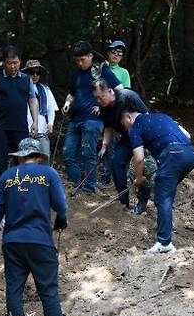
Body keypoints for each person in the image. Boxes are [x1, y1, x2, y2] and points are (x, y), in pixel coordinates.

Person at [0, 138, 68, 316]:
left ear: (19, 157)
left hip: (13, 242)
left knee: (14, 289)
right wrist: (61, 220)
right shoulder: (49, 174)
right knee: (48, 289)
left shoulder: (6, 177)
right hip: (40, 241)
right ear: (39, 157)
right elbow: (61, 205)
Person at [122, 110, 194, 253]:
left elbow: (139, 159)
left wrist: (139, 178)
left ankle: (164, 243)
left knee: (162, 197)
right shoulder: (163, 116)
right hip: (191, 154)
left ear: (128, 117)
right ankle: (165, 223)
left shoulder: (135, 128)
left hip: (173, 154)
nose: (126, 129)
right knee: (165, 192)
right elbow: (187, 135)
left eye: (124, 125)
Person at [61, 41, 122, 194]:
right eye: (77, 60)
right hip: (75, 119)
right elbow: (72, 93)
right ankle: (78, 184)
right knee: (68, 152)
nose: (80, 63)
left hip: (93, 119)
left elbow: (120, 90)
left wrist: (104, 107)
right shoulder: (76, 74)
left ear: (91, 56)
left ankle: (89, 188)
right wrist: (67, 103)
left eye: (83, 59)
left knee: (88, 152)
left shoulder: (102, 71)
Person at [0, 45, 40, 184]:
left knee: (23, 158)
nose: (13, 66)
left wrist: (35, 122)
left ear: (20, 62)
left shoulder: (27, 79)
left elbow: (32, 99)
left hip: (21, 126)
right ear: (4, 63)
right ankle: (0, 189)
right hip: (1, 126)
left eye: (16, 63)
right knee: (1, 159)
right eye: (9, 63)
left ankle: (22, 187)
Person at [92, 79, 151, 213]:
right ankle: (123, 200)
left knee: (142, 167)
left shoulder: (128, 97)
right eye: (96, 99)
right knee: (116, 161)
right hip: (126, 139)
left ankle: (142, 201)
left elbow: (147, 117)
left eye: (101, 97)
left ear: (110, 91)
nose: (99, 101)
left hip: (142, 137)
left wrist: (148, 143)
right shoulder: (103, 109)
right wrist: (104, 147)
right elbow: (108, 129)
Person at [25, 59, 58, 165]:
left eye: (37, 72)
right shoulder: (21, 88)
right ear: (27, 73)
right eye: (32, 72)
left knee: (45, 159)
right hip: (25, 130)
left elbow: (51, 108)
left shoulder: (45, 89)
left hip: (42, 131)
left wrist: (51, 122)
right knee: (28, 162)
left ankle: (44, 181)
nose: (35, 75)